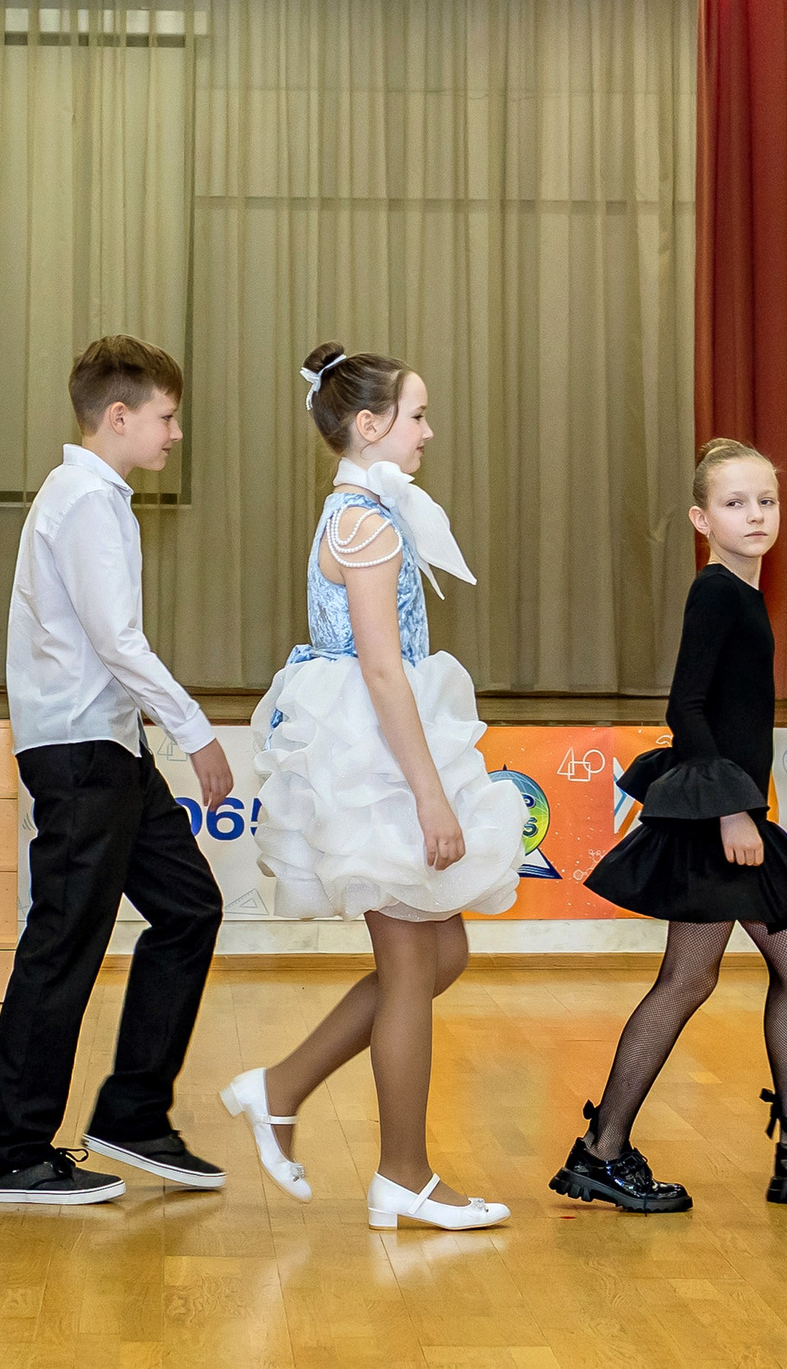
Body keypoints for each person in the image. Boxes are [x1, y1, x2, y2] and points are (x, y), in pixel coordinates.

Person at [216, 343, 523, 1232]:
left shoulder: (365, 510)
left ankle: (280, 1085)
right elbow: (384, 672)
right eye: (417, 415)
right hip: (377, 758)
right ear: (369, 425)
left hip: (383, 742)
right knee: (411, 966)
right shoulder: (367, 521)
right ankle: (403, 1172)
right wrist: (429, 795)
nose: (428, 431)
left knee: (438, 958)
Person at [553, 440, 787, 1211]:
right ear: (702, 518)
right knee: (697, 977)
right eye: (736, 503)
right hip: (718, 815)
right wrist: (734, 808)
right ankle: (603, 1149)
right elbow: (687, 708)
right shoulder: (716, 592)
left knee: (786, 963)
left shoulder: (742, 591)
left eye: (766, 501)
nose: (756, 515)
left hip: (724, 810)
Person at [0, 336, 233, 1205]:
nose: (175, 433)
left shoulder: (98, 496)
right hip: (81, 750)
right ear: (117, 417)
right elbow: (116, 640)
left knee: (190, 907)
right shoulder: (84, 499)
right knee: (64, 944)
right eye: (165, 416)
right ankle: (10, 1149)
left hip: (111, 745)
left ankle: (132, 1111)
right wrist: (197, 730)